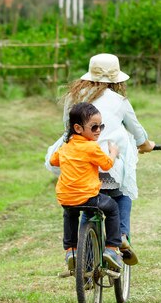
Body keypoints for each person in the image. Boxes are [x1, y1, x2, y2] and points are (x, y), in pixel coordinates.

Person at [47, 53, 155, 265]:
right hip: (106, 162)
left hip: (75, 161)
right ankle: (118, 240)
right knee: (122, 194)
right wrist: (146, 145)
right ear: (117, 79)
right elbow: (137, 132)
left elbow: (66, 130)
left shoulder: (72, 98)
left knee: (86, 204)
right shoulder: (119, 101)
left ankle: (82, 259)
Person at [50, 102, 123, 271]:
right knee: (112, 208)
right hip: (88, 196)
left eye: (101, 126)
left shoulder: (65, 146)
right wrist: (113, 152)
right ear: (78, 128)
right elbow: (106, 165)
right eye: (94, 127)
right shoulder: (91, 147)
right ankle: (112, 249)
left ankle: (71, 250)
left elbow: (54, 161)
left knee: (70, 214)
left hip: (65, 196)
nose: (98, 130)